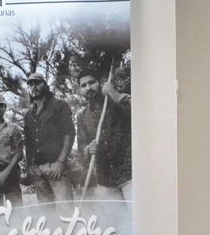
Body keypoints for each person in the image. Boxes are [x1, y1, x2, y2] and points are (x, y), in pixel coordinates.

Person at [73, 70, 131, 200]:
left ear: (100, 83)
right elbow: (82, 148)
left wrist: (114, 94)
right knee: (116, 220)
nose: (88, 88)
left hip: (130, 174)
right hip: (106, 181)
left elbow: (141, 112)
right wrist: (88, 149)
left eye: (91, 82)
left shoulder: (117, 100)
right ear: (80, 90)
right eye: (84, 85)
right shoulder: (82, 117)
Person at [21, 73, 73, 204]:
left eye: (37, 83)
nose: (33, 87)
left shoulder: (59, 105)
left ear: (45, 85)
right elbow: (29, 144)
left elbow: (69, 134)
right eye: (30, 84)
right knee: (46, 215)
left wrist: (60, 162)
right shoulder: (28, 115)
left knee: (66, 212)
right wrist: (30, 167)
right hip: (38, 171)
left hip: (57, 169)